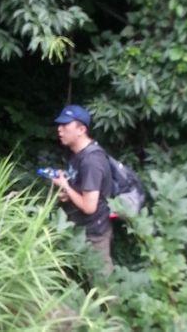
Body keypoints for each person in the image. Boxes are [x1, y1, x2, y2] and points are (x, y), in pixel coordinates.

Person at [51, 104, 114, 276]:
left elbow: (89, 206)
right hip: (79, 230)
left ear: (81, 129)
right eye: (59, 125)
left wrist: (65, 187)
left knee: (103, 289)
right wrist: (67, 194)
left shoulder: (91, 161)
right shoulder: (77, 154)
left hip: (94, 236)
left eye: (65, 125)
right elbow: (81, 189)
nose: (59, 129)